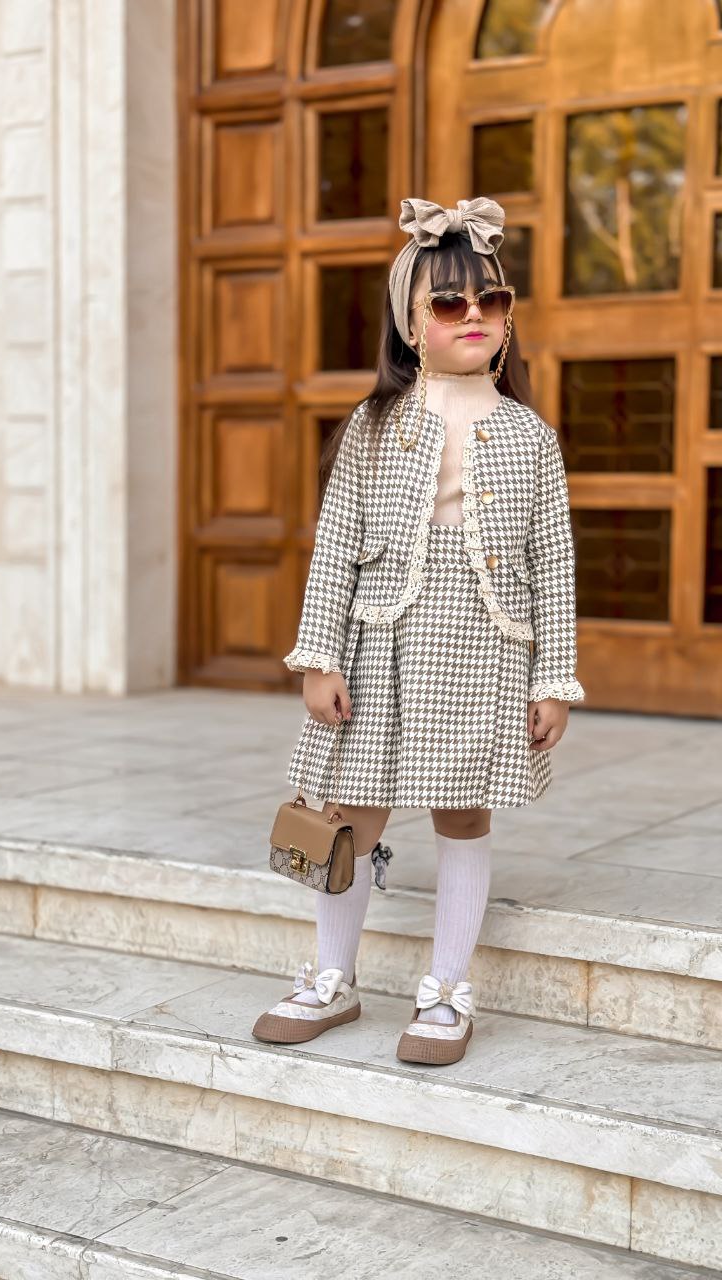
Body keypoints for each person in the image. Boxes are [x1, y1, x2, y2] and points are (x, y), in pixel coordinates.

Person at [252, 195, 584, 1066]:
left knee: (463, 809)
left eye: (491, 300)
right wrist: (319, 656)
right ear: (410, 322)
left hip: (484, 644)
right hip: (382, 642)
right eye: (448, 302)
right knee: (353, 810)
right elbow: (336, 547)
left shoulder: (531, 437)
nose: (474, 314)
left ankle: (445, 988)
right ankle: (334, 976)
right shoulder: (374, 428)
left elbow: (554, 562)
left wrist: (554, 678)